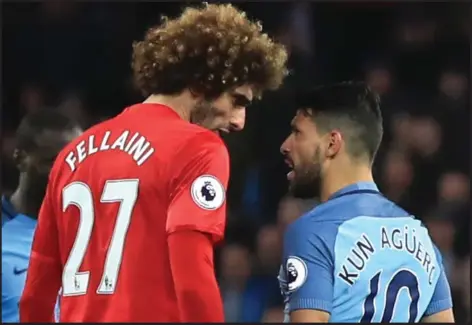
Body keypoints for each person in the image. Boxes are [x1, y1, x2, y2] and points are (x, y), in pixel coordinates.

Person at [19, 4, 288, 323]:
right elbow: (193, 276)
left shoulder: (73, 154)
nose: (239, 121)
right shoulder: (199, 148)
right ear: (203, 83)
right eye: (237, 101)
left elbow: (36, 295)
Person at [277, 82, 454, 323]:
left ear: (332, 144)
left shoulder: (313, 232)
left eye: (297, 132)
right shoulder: (423, 239)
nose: (285, 145)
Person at [2, 109, 82, 322]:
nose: (65, 172)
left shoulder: (94, 234)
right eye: (52, 161)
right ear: (20, 158)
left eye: (74, 162)